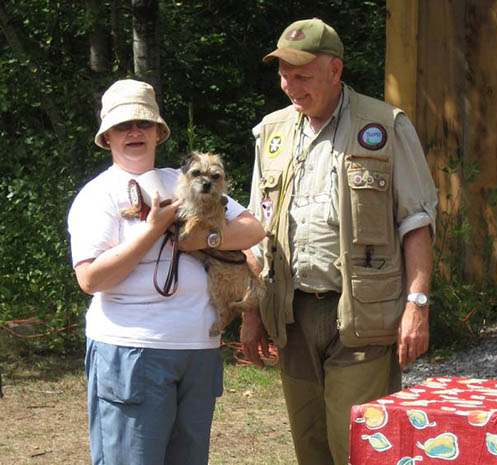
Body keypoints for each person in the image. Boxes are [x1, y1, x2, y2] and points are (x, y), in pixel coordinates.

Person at [240, 18, 438, 465]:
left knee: (358, 448)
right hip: (291, 315)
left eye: (302, 75)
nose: (291, 87)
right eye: (284, 75)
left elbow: (416, 223)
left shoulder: (385, 126)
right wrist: (252, 312)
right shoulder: (271, 132)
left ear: (335, 70)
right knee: (310, 448)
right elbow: (256, 230)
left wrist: (417, 305)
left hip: (362, 315)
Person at [67, 79, 265, 465]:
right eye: (123, 126)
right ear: (107, 137)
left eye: (143, 123)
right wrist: (153, 231)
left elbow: (253, 229)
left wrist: (200, 240)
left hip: (198, 351)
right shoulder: (97, 195)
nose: (134, 132)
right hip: (133, 350)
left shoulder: (187, 179)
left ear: (159, 132)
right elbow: (90, 279)